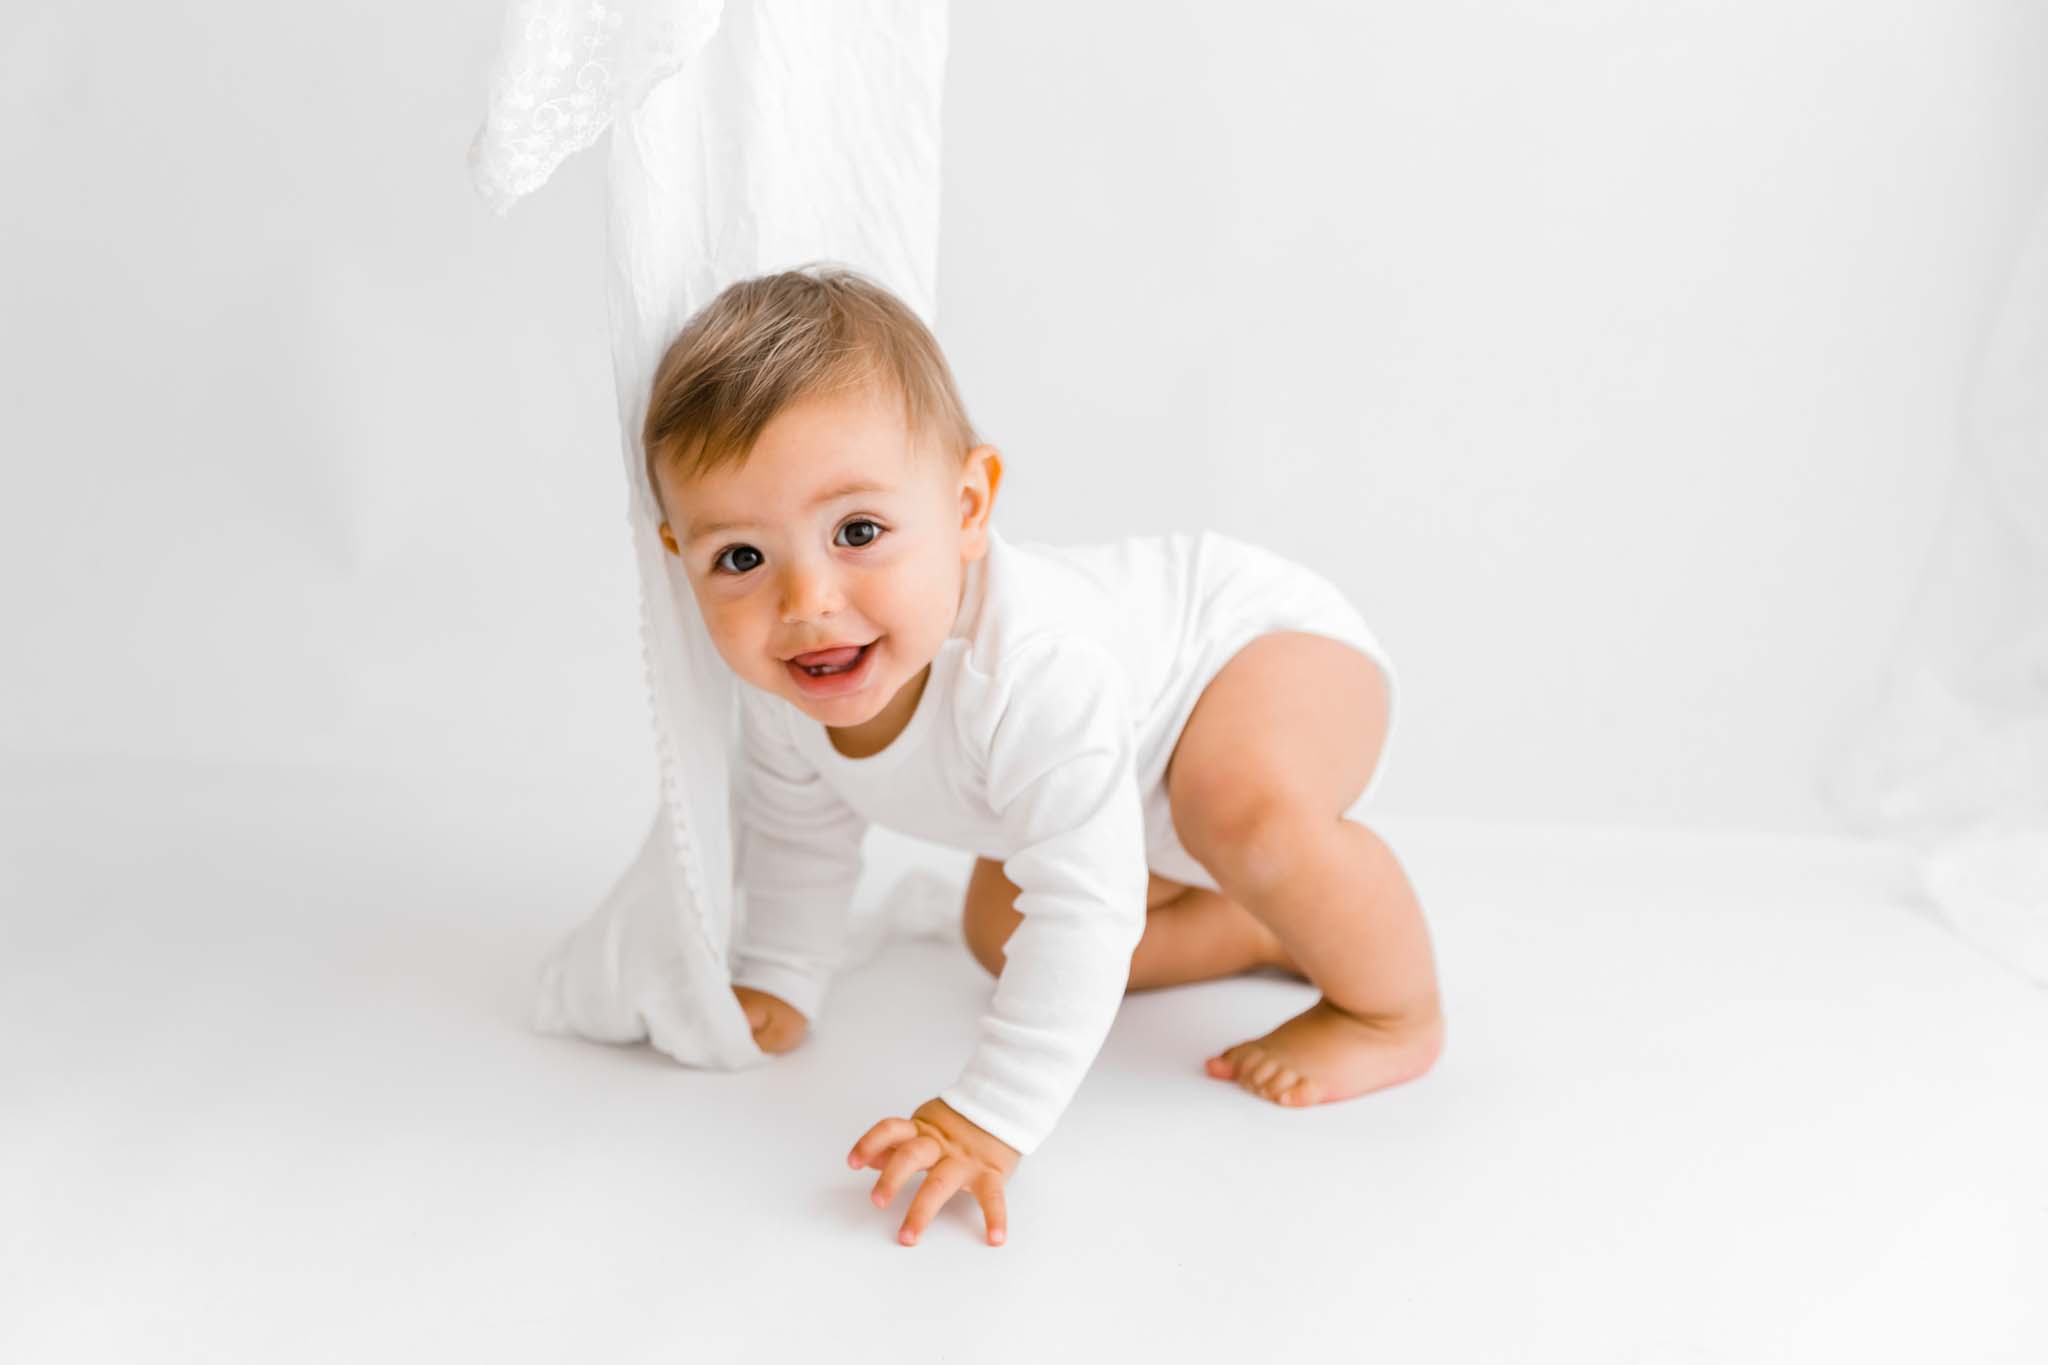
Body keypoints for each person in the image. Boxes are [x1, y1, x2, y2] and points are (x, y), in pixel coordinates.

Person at [645, 264, 1444, 1249]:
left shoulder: (1029, 672)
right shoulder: (780, 697)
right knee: (996, 932)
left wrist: (990, 1114)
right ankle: (1261, 929)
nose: (805, 600)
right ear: (678, 558)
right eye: (740, 558)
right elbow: (798, 835)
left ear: (968, 506)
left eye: (857, 532)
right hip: (1128, 774)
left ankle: (1391, 1013)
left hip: (1249, 653)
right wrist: (780, 974)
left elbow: (1083, 903)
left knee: (1237, 808)